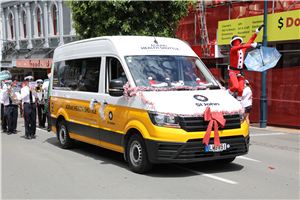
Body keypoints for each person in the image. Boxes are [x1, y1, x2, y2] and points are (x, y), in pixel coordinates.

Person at [227, 24, 264, 101]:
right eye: (235, 41)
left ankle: (240, 104)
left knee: (241, 89)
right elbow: (242, 46)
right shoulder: (233, 49)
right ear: (233, 43)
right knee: (235, 87)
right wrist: (251, 45)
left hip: (240, 71)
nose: (236, 42)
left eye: (237, 41)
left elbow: (250, 40)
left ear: (240, 41)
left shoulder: (242, 49)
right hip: (233, 71)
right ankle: (226, 94)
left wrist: (257, 32)